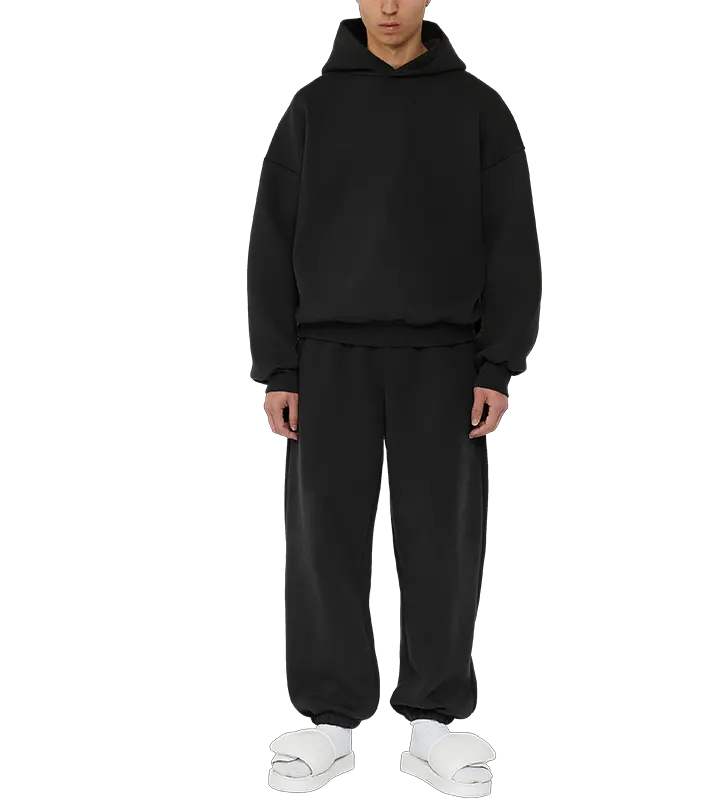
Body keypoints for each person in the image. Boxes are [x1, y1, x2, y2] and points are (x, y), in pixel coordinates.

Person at [247, 2, 541, 795]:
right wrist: (277, 368)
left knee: (444, 539)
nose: (387, 7)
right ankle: (331, 725)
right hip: (327, 356)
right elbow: (271, 236)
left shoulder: (478, 106)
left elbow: (513, 238)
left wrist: (499, 364)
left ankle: (434, 725)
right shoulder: (313, 105)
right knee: (323, 540)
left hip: (446, 358)